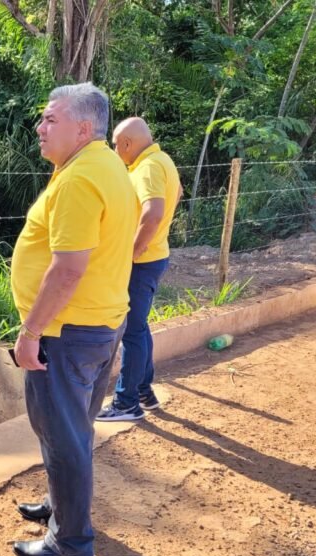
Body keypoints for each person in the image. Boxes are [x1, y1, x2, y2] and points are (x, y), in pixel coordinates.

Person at [9, 83, 137, 556]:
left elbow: (67, 268)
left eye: (50, 119)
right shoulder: (104, 166)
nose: (40, 128)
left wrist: (30, 333)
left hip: (66, 333)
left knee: (61, 434)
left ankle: (71, 544)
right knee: (72, 430)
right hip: (98, 324)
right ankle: (62, 510)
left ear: (83, 128)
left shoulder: (82, 178)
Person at [97, 117, 182, 422]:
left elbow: (154, 212)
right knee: (140, 327)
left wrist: (131, 252)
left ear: (128, 144)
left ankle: (126, 403)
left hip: (142, 263)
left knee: (131, 332)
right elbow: (179, 192)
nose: (115, 151)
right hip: (156, 256)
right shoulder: (162, 160)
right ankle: (144, 391)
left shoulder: (146, 168)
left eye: (117, 145)